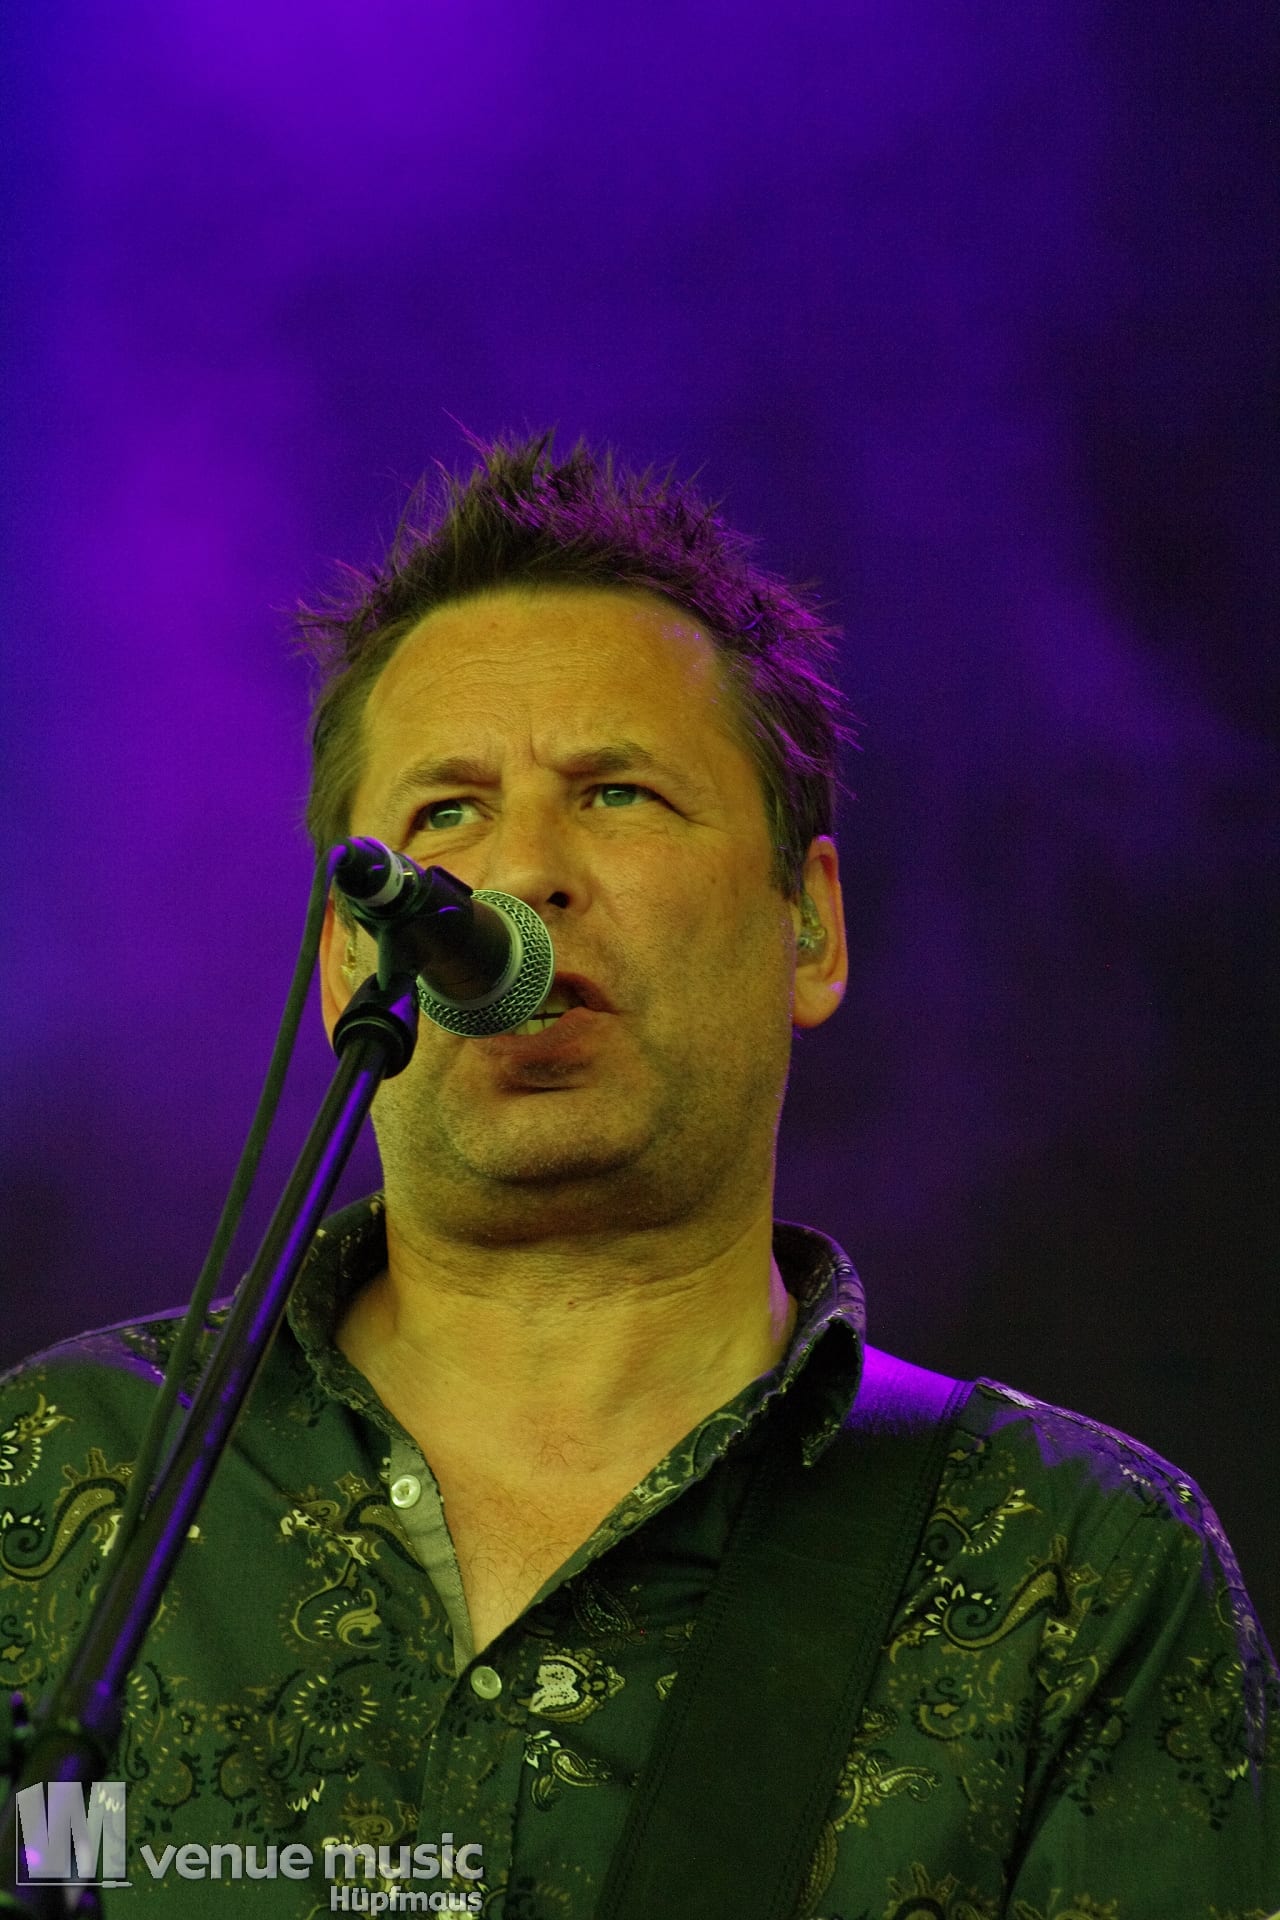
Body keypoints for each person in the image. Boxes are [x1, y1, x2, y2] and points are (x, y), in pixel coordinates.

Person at [1, 434, 1275, 1917]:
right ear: (350, 954)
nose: (518, 874)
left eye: (617, 793)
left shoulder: (1074, 1568)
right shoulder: (57, 1481)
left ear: (810, 927)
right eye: (444, 815)